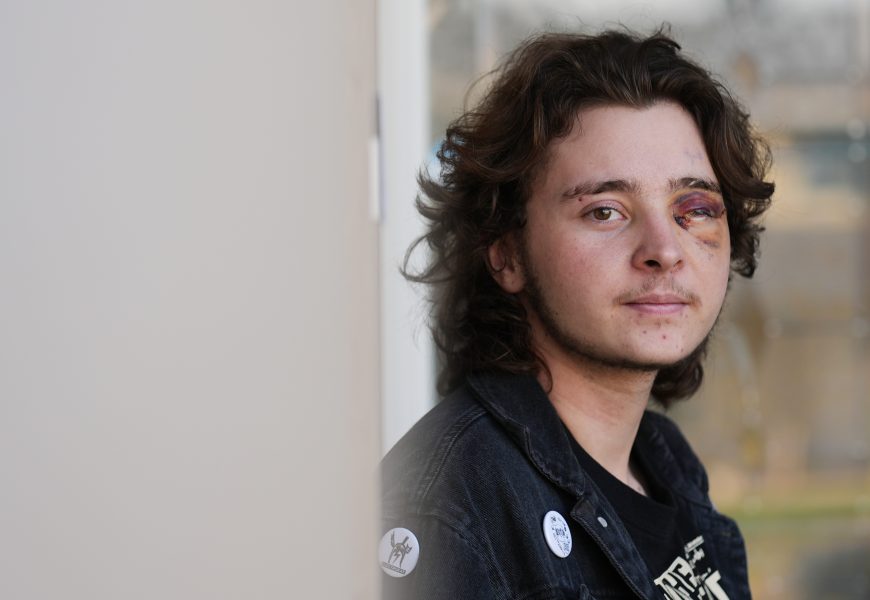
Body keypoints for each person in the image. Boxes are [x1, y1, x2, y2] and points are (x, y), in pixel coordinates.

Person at [379, 27, 774, 600]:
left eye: (693, 208)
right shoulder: (447, 512)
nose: (664, 249)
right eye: (605, 211)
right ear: (507, 253)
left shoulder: (665, 463)